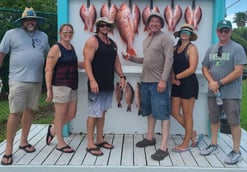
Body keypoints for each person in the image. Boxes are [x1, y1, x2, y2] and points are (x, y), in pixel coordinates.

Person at [0, 7, 50, 165]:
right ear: (22, 21)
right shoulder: (11, 34)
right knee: (14, 113)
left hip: (37, 80)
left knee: (30, 111)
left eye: (33, 19)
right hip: (17, 81)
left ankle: (24, 141)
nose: (30, 22)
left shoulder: (43, 36)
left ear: (37, 21)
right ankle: (8, 148)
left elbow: (50, 56)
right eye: (27, 20)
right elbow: (1, 55)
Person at [122, 12, 174, 161]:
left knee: (163, 113)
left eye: (157, 21)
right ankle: (150, 138)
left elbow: (169, 60)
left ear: (161, 24)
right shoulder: (146, 39)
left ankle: (164, 147)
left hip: (159, 83)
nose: (154, 23)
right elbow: (146, 60)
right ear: (148, 24)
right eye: (152, 21)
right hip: (145, 81)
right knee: (150, 111)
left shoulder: (166, 38)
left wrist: (163, 80)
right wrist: (130, 58)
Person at [201, 20, 247, 164]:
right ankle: (214, 144)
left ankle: (236, 150)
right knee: (214, 119)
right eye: (221, 30)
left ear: (230, 32)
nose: (223, 33)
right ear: (217, 31)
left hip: (231, 93)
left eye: (226, 31)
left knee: (233, 121)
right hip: (213, 92)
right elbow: (204, 68)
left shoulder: (237, 48)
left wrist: (219, 83)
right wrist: (212, 82)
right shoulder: (211, 49)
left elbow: (239, 70)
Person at [83, 17, 126, 156]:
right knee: (93, 113)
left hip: (108, 84)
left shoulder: (113, 43)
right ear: (97, 27)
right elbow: (87, 63)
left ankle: (100, 139)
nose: (105, 27)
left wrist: (122, 76)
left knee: (102, 112)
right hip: (96, 84)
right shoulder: (92, 41)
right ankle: (90, 143)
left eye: (108, 25)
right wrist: (92, 80)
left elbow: (116, 63)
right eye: (102, 25)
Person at [45, 24, 81, 153]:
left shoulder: (71, 47)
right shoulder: (56, 48)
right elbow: (48, 69)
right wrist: (49, 89)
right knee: (60, 116)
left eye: (70, 32)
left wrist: (90, 63)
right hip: (60, 86)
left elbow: (74, 64)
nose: (68, 34)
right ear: (60, 33)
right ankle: (60, 143)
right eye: (65, 32)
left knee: (72, 114)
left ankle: (53, 130)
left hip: (73, 85)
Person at [170, 23, 203, 152]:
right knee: (174, 112)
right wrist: (173, 77)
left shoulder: (192, 48)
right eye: (183, 31)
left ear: (191, 36)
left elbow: (192, 69)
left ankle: (186, 143)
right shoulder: (175, 48)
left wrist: (176, 77)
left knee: (187, 114)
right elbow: (171, 65)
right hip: (176, 83)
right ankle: (192, 134)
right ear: (179, 33)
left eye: (188, 32)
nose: (185, 33)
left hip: (189, 83)